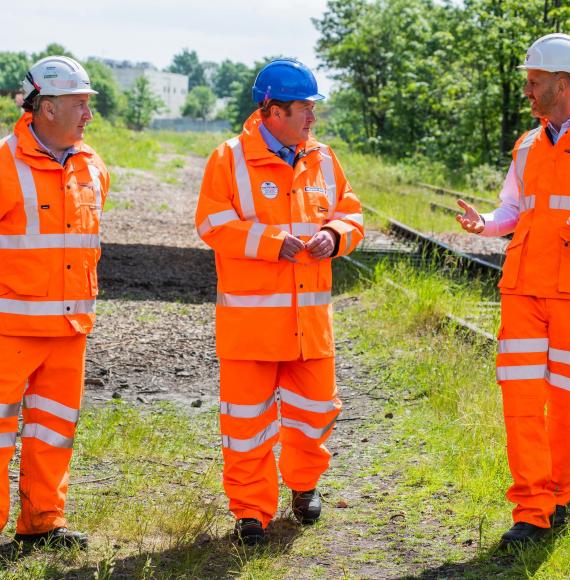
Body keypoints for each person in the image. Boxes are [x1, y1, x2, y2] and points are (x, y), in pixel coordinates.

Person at [195, 58, 364, 545]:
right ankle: (251, 511)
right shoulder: (227, 159)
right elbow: (210, 223)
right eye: (303, 110)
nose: (311, 119)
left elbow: (351, 215)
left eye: (312, 109)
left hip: (311, 326)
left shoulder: (325, 159)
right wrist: (270, 242)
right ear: (270, 110)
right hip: (249, 329)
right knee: (247, 425)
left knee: (313, 414)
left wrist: (335, 236)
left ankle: (305, 487)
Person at [456, 33, 570, 548]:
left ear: (562, 84)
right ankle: (533, 510)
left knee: (566, 403)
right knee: (521, 402)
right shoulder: (527, 144)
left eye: (535, 81)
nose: (527, 90)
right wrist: (485, 223)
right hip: (523, 290)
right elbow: (514, 208)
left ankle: (563, 497)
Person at [0, 56, 109, 549]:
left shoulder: (92, 167)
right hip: (9, 330)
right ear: (45, 107)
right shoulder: (3, 163)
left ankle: (42, 525)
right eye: (79, 104)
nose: (88, 114)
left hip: (68, 332)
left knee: (54, 434)